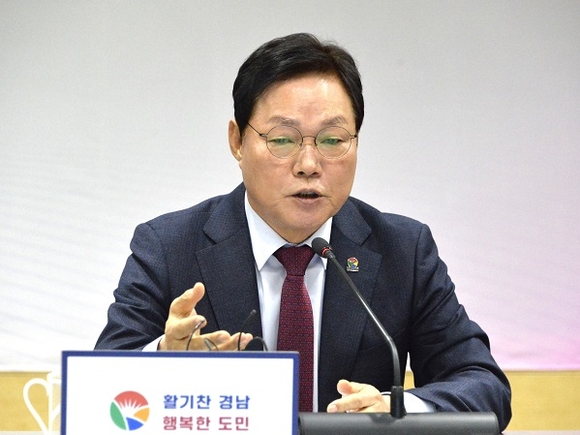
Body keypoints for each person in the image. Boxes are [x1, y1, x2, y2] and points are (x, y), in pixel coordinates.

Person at [95, 33, 511, 430]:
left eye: (332, 140)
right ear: (237, 141)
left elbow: (484, 385)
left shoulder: (404, 250)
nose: (309, 164)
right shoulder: (168, 247)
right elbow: (99, 394)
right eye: (283, 140)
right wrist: (161, 361)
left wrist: (398, 410)